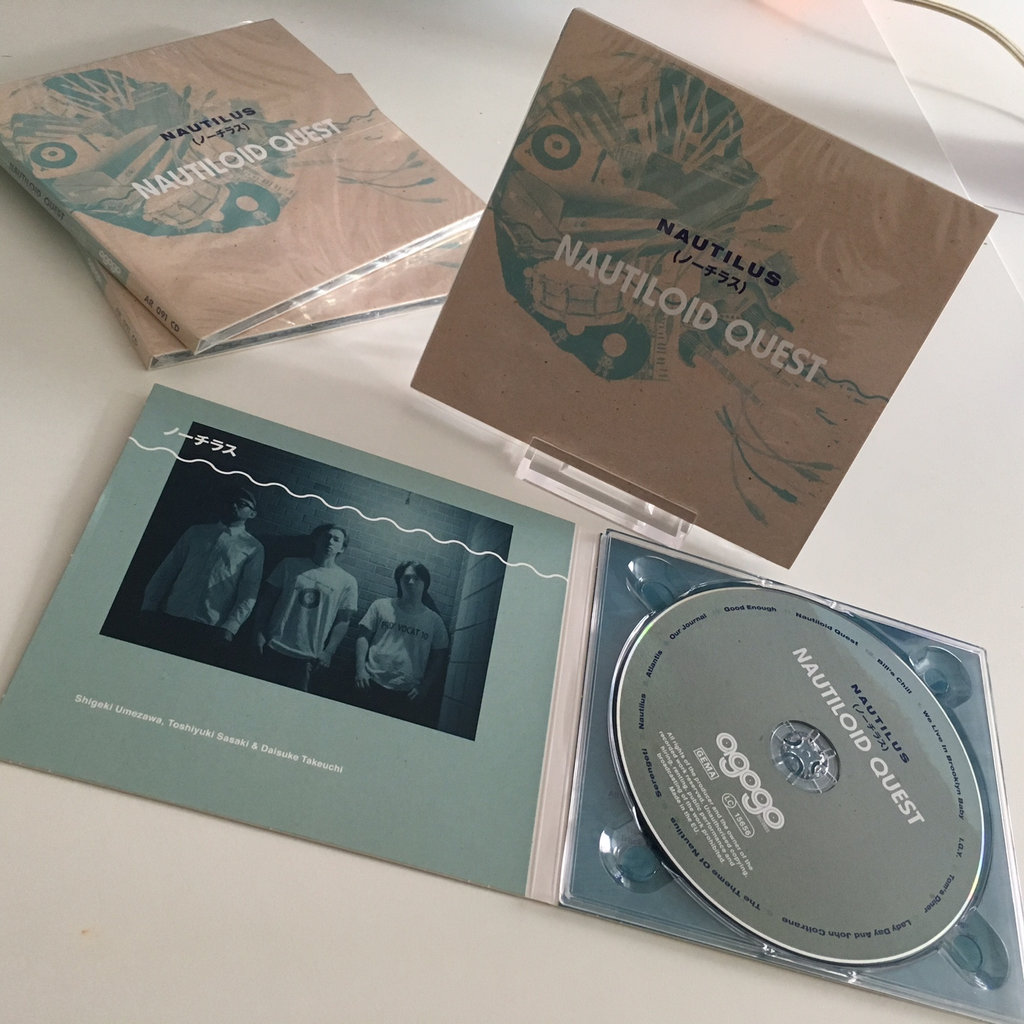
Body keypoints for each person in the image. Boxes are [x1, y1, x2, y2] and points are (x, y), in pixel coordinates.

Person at [140, 484, 264, 660]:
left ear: (252, 514)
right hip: (172, 613)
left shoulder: (253, 548)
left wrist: (231, 626)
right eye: (231, 501)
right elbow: (167, 570)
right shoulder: (197, 532)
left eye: (242, 503)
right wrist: (149, 605)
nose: (234, 505)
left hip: (210, 626)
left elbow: (249, 591)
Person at [252, 523, 357, 692]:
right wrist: (259, 631)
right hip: (273, 646)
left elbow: (343, 620)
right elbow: (267, 600)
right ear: (316, 539)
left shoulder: (347, 581)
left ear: (342, 548)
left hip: (308, 656)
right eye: (326, 536)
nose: (330, 541)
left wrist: (328, 652)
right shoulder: (289, 564)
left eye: (336, 539)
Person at [353, 561, 449, 724]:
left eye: (416, 578)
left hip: (407, 693)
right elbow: (363, 636)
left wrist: (425, 687)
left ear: (425, 583)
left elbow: (439, 655)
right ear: (399, 581)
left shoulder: (434, 621)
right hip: (371, 683)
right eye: (406, 578)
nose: (411, 582)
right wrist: (360, 670)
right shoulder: (381, 606)